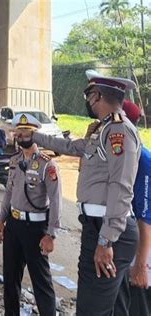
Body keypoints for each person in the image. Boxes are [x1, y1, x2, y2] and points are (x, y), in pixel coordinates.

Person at [15, 70, 140, 315]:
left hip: (107, 230)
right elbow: (71, 146)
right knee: (112, 306)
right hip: (99, 227)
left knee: (91, 309)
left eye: (88, 94)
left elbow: (121, 187)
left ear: (97, 96)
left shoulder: (118, 132)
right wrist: (34, 137)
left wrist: (106, 239)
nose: (87, 101)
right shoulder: (103, 130)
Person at [0, 113, 61, 316]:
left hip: (35, 230)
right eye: (18, 133)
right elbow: (9, 191)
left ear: (35, 135)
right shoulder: (15, 161)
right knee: (10, 280)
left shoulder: (47, 164)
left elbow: (57, 200)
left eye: (25, 133)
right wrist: (1, 220)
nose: (21, 136)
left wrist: (51, 234)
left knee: (41, 283)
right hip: (13, 225)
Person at [107, 100, 150, 315]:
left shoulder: (143, 160)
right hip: (122, 240)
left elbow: (146, 218)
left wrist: (141, 265)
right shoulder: (118, 154)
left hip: (141, 247)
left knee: (138, 303)